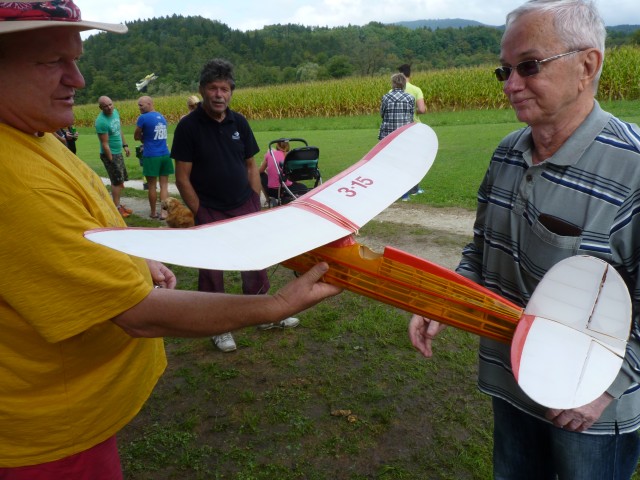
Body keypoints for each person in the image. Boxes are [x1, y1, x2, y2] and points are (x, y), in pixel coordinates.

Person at [0, 2, 340, 477]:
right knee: (216, 269)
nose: (77, 80)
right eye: (52, 61)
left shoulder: (29, 134)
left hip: (77, 419)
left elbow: (80, 234)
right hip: (49, 441)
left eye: (75, 59)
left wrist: (138, 262)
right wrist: (276, 305)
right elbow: (137, 315)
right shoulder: (15, 182)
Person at [408, 1, 640, 479]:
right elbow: (482, 251)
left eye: (529, 66)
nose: (512, 85)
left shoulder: (634, 167)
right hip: (512, 384)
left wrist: (606, 386)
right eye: (505, 70)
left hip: (589, 407)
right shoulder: (507, 154)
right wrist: (445, 301)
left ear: (587, 65)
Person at [172, 58, 303, 353]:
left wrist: (255, 202)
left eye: (225, 89)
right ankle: (219, 328)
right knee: (212, 268)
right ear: (203, 90)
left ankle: (264, 316)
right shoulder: (189, 128)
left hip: (243, 203)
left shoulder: (239, 122)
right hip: (210, 207)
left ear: (231, 92)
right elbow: (182, 178)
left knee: (255, 260)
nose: (219, 94)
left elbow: (250, 165)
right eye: (213, 88)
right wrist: (200, 212)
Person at [134, 95, 174, 219]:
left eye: (141, 105)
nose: (139, 107)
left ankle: (153, 212)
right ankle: (164, 212)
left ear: (149, 104)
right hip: (165, 154)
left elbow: (136, 136)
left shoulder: (143, 118)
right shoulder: (161, 117)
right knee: (164, 185)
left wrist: (142, 138)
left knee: (152, 186)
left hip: (151, 155)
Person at [378, 72, 415, 201]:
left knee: (388, 163)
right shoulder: (410, 98)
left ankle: (388, 191)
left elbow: (382, 114)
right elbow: (411, 116)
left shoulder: (386, 97)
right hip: (404, 135)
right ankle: (404, 194)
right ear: (404, 83)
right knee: (403, 163)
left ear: (393, 83)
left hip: (388, 135)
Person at [95, 95, 132, 218]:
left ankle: (118, 205)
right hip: (109, 154)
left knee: (120, 180)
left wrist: (125, 145)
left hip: (118, 152)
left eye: (110, 104)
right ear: (101, 108)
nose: (109, 107)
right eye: (105, 106)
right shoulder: (101, 122)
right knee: (116, 181)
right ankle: (116, 208)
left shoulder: (115, 112)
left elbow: (118, 130)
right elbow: (104, 144)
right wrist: (111, 160)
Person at [398, 63, 426, 195]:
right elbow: (422, 109)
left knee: (401, 159)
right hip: (414, 126)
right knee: (415, 158)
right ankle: (415, 188)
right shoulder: (416, 89)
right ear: (410, 74)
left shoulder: (392, 91)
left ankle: (402, 188)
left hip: (398, 129)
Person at [259, 140, 307, 204]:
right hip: (287, 189)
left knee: (259, 175)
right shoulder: (288, 156)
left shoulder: (270, 154)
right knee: (303, 187)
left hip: (273, 191)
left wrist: (268, 169)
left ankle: (268, 199)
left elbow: (260, 171)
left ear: (277, 146)